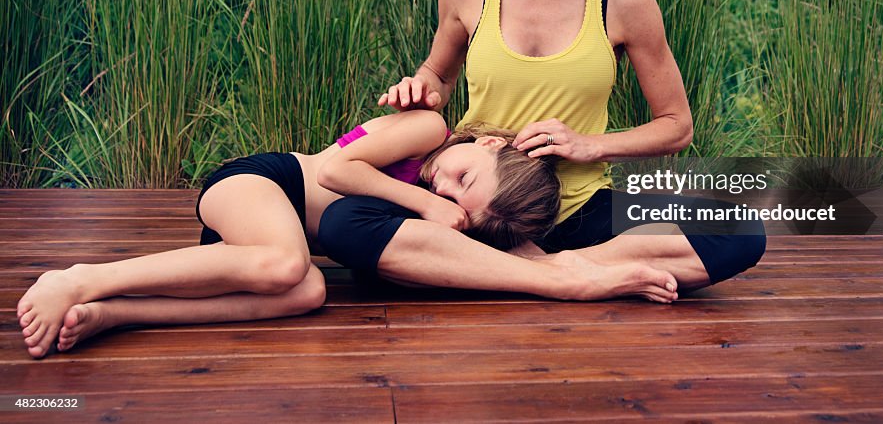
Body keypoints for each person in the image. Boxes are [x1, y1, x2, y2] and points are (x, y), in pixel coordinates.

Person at [316, 0, 766, 299]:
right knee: (343, 222)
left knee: (738, 229)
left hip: (577, 210)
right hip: (472, 209)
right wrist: (420, 88)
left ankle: (545, 267)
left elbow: (676, 126)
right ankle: (556, 276)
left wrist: (589, 145)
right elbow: (438, 75)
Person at [15, 110, 563, 358]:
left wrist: (560, 265)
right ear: (492, 144)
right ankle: (84, 278)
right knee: (285, 266)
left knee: (307, 292)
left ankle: (117, 313)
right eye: (461, 176)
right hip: (263, 181)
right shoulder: (430, 129)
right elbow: (332, 171)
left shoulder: (443, 197)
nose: (441, 185)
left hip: (279, 234)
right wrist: (426, 203)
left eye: (453, 201)